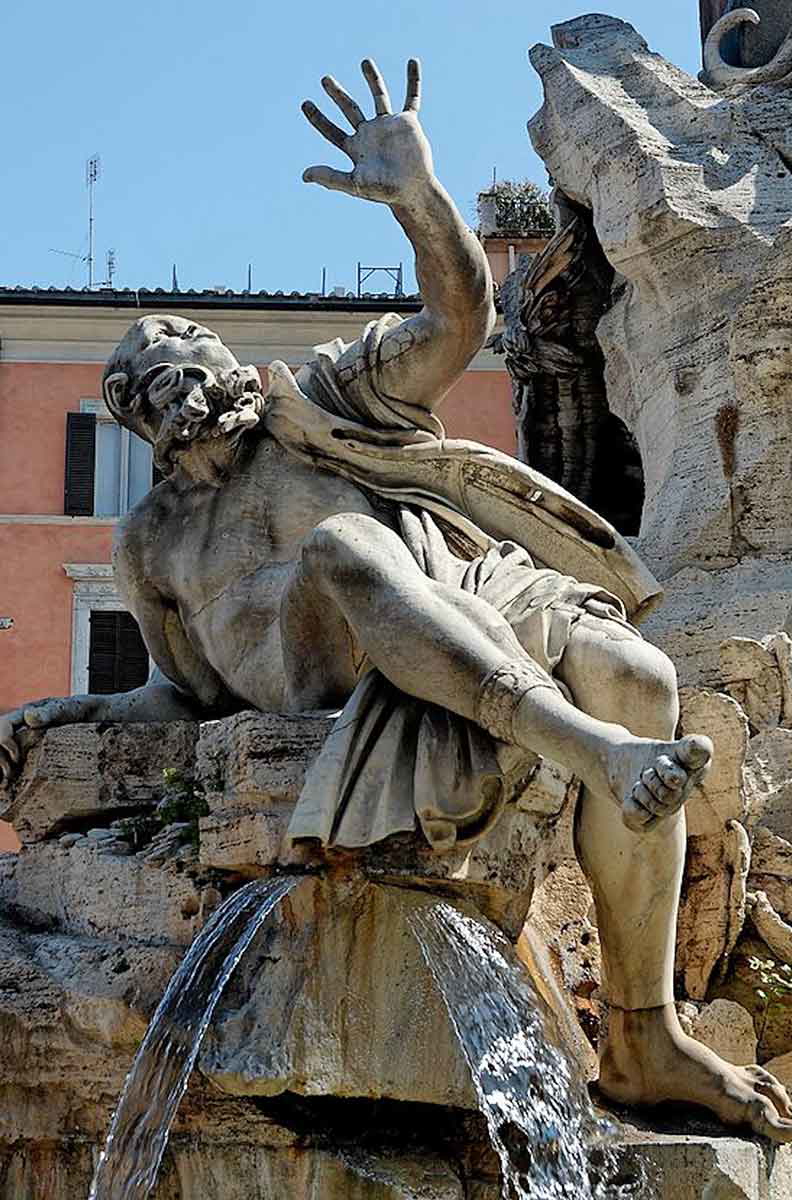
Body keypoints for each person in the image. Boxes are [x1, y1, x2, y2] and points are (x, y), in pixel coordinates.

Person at [2, 59, 791, 1141]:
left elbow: (459, 321)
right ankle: (594, 752)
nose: (178, 391)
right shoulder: (151, 541)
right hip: (324, 675)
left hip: (460, 602)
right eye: (147, 392)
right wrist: (61, 714)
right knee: (341, 546)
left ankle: (642, 1037)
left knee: (641, 678)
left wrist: (420, 199)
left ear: (230, 367)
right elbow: (178, 698)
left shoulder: (321, 404)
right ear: (140, 428)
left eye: (190, 365)